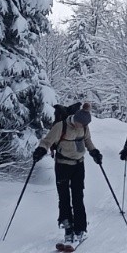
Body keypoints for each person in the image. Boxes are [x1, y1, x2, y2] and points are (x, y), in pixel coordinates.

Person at [35, 101, 103, 244]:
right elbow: (47, 141)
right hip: (62, 166)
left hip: (79, 165)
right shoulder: (61, 126)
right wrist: (40, 150)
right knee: (64, 197)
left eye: (84, 125)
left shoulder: (84, 127)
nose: (81, 127)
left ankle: (80, 229)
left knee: (78, 197)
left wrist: (94, 152)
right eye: (79, 123)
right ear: (75, 118)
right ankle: (67, 228)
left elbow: (87, 140)